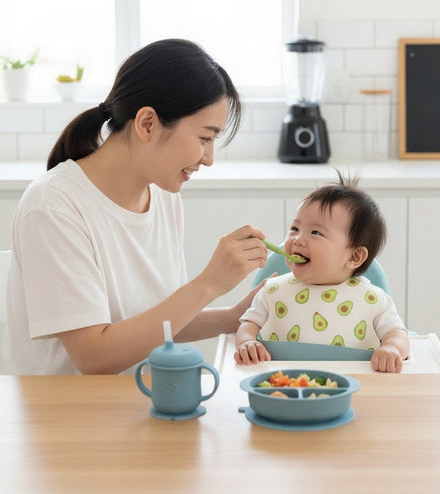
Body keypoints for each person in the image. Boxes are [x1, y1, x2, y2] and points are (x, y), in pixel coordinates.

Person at [3, 39, 268, 375]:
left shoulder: (164, 194)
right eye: (205, 138)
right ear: (147, 124)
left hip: (138, 405)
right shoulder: (53, 206)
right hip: (65, 418)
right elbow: (94, 356)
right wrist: (209, 284)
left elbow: (156, 322)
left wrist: (233, 317)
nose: (209, 158)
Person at [234, 173, 409, 373]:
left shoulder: (374, 300)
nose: (298, 239)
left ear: (354, 257)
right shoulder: (272, 291)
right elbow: (248, 324)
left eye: (315, 232)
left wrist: (391, 348)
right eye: (295, 228)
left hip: (354, 386)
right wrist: (247, 342)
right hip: (283, 384)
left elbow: (398, 333)